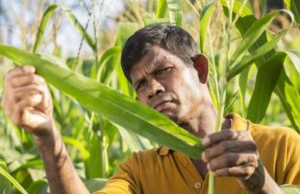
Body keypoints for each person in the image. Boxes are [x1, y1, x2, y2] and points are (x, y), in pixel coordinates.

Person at [1, 24, 299, 194]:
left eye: (162, 71)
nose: (152, 88)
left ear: (201, 69)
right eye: (140, 85)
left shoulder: (283, 146)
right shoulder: (139, 171)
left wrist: (260, 182)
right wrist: (47, 136)